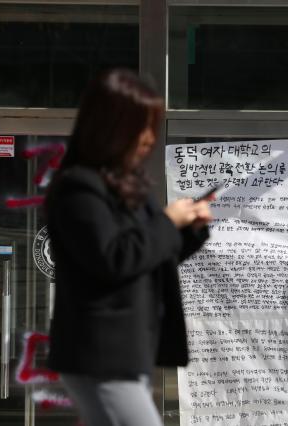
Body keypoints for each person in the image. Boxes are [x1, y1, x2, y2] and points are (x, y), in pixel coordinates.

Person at [45, 68, 212, 426]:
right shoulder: (78, 189)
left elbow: (146, 257)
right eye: (142, 126)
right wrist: (169, 222)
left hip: (125, 351)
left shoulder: (126, 186)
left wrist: (189, 230)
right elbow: (115, 257)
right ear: (111, 127)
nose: (150, 138)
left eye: (154, 126)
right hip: (100, 355)